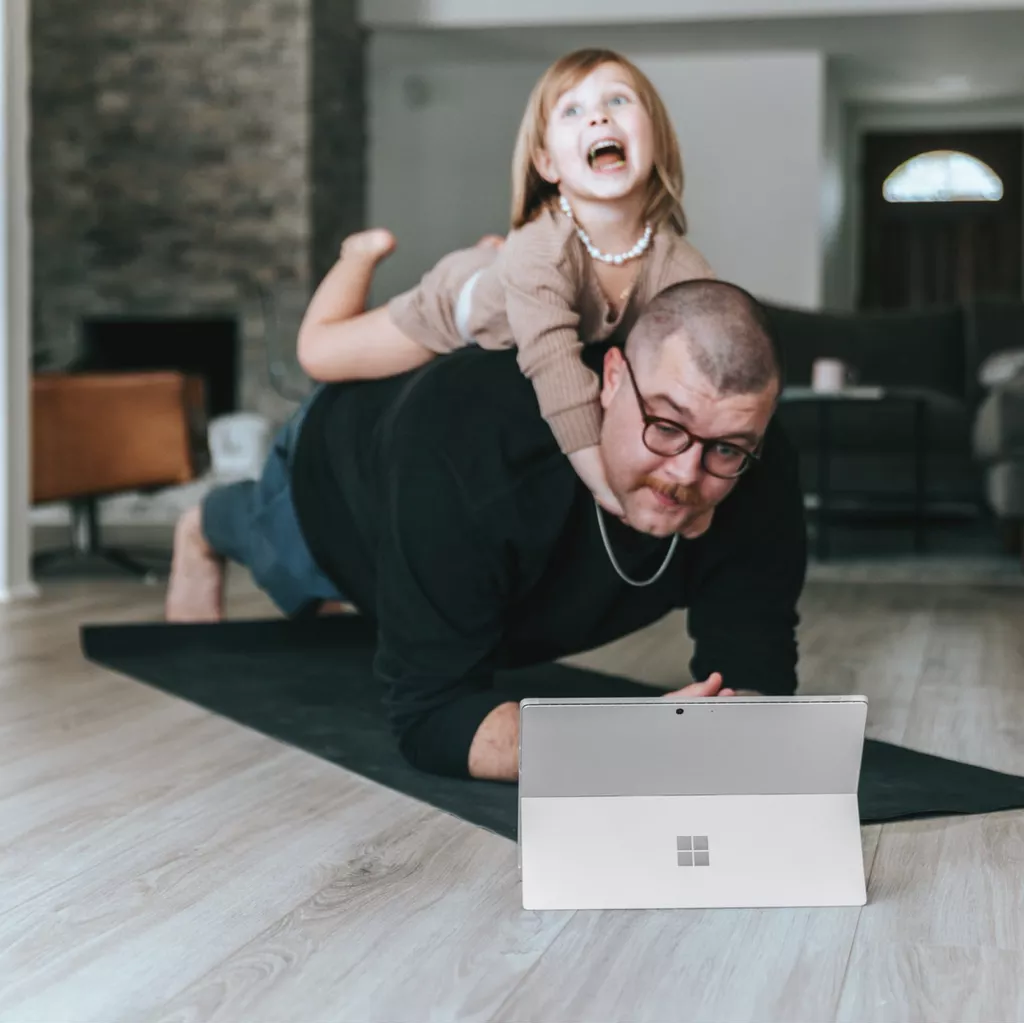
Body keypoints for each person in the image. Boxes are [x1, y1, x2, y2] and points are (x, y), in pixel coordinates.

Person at [166, 279, 807, 783]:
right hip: (342, 473)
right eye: (665, 426)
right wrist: (621, 744)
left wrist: (729, 725)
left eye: (726, 449)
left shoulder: (754, 466)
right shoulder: (467, 458)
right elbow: (431, 717)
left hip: (485, 548)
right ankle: (207, 523)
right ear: (611, 380)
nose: (687, 474)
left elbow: (755, 672)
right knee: (286, 558)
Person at [293, 48, 714, 518]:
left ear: (655, 137)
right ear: (548, 164)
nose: (598, 118)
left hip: (512, 272)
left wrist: (700, 494)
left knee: (509, 267)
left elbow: (709, 363)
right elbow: (555, 369)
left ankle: (492, 256)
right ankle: (359, 254)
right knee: (319, 354)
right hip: (456, 305)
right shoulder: (542, 250)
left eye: (618, 101)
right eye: (573, 110)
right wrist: (607, 487)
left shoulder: (680, 263)